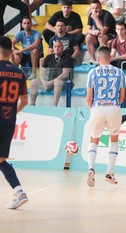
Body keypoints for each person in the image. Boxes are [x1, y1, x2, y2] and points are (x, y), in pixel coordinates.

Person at [86, 46, 125, 187]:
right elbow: (122, 97)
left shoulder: (92, 72)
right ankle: (109, 172)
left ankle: (91, 167)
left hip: (98, 107)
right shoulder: (119, 72)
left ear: (98, 58)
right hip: (114, 108)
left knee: (94, 140)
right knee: (114, 140)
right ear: (110, 57)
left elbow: (89, 96)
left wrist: (93, 109)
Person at [0, 36, 29, 209]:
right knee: (1, 159)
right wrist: (12, 113)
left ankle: (19, 192)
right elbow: (24, 100)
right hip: (9, 120)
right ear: (11, 52)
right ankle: (19, 191)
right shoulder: (19, 73)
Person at [30, 41, 74, 106]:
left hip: (64, 83)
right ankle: (32, 104)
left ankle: (54, 105)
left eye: (59, 46)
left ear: (63, 48)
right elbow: (42, 72)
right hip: (49, 82)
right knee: (34, 82)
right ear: (53, 48)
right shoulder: (48, 57)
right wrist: (44, 81)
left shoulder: (67, 58)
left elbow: (65, 74)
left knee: (57, 82)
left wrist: (50, 82)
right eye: (55, 46)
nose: (57, 48)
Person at [85, 0, 116, 65]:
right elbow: (87, 30)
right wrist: (93, 32)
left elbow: (103, 31)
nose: (95, 10)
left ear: (101, 7)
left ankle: (102, 60)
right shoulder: (91, 15)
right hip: (100, 34)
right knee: (88, 37)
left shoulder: (107, 15)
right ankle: (93, 59)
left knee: (101, 37)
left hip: (111, 34)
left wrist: (96, 19)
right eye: (93, 8)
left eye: (97, 8)